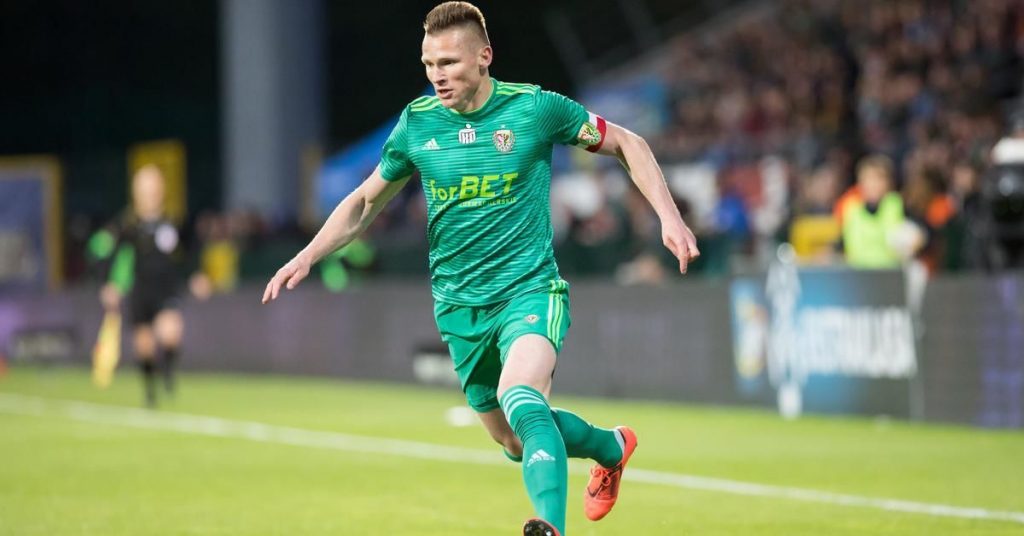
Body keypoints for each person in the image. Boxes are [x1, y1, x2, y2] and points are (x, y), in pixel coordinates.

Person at [262, 3, 699, 534]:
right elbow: (364, 202)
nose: (437, 75)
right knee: (513, 441)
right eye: (429, 64)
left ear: (484, 56)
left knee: (522, 395)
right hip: (459, 310)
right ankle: (610, 446)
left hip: (529, 291)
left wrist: (669, 218)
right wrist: (307, 255)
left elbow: (629, 142)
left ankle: (550, 526)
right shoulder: (418, 124)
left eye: (448, 62)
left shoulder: (533, 109)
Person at [91, 165, 210, 407]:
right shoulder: (127, 224)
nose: (150, 192)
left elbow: (190, 251)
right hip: (140, 291)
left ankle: (167, 372)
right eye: (144, 187)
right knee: (144, 346)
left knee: (171, 333)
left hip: (166, 289)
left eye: (153, 187)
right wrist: (108, 284)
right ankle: (150, 391)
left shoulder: (172, 221)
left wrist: (197, 275)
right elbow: (103, 251)